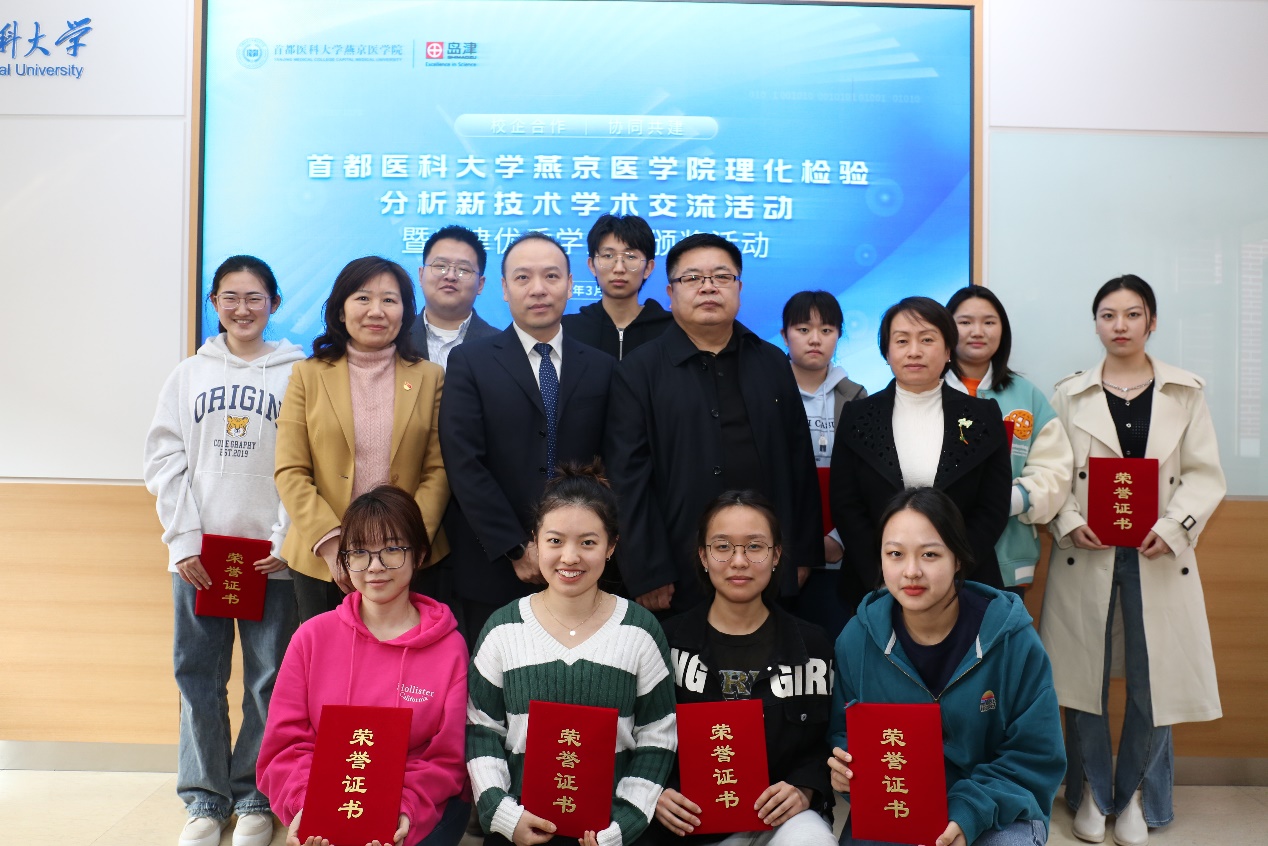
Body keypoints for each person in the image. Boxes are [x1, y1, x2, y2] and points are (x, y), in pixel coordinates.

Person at [1039, 275, 1225, 846]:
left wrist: (1174, 528)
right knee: (1082, 681)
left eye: (1133, 314)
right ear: (1096, 323)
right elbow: (1051, 473)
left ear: (1152, 322)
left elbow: (1204, 474)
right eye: (1108, 314)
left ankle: (1139, 795)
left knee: (1154, 681)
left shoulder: (1184, 392)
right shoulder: (1069, 394)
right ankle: (1092, 793)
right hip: (1088, 552)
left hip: (1158, 554)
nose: (1120, 325)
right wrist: (1068, 521)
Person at [143, 255, 305, 846]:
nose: (242, 308)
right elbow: (164, 458)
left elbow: (307, 461)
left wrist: (286, 537)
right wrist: (184, 538)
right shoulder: (188, 374)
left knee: (269, 680)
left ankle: (257, 794)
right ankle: (205, 799)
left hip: (270, 560)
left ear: (274, 303)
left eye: (254, 297)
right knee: (199, 677)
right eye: (230, 297)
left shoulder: (298, 373)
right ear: (214, 304)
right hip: (198, 559)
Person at [827, 487, 1064, 846]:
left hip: (996, 812)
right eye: (895, 554)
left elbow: (1034, 757)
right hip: (898, 808)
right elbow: (844, 733)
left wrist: (968, 812)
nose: (911, 571)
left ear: (957, 559)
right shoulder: (857, 639)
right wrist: (846, 769)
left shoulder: (1013, 641)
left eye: (930, 554)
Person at [606, 233, 822, 614]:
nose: (708, 287)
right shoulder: (639, 371)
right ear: (670, 293)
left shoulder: (772, 362)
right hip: (678, 572)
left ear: (739, 288)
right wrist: (648, 570)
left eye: (722, 277)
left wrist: (802, 553)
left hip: (767, 566)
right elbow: (628, 480)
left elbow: (799, 464)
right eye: (692, 278)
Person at [466, 462, 677, 846]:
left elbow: (657, 734)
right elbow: (481, 730)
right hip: (517, 832)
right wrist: (504, 815)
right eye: (555, 540)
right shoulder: (503, 630)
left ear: (611, 546)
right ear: (535, 542)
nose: (570, 557)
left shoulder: (640, 632)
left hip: (610, 835)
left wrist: (622, 826)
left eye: (588, 543)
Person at [257, 485, 470, 846]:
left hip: (417, 804)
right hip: (328, 800)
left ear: (419, 555)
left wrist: (404, 809)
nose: (375, 567)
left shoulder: (449, 646)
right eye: (359, 552)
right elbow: (286, 745)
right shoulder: (312, 637)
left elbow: (446, 757)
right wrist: (308, 806)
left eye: (392, 549)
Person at [439, 232, 615, 645]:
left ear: (570, 284)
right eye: (523, 277)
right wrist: (516, 547)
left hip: (581, 567)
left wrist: (581, 544)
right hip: (493, 564)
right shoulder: (470, 361)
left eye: (551, 276)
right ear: (504, 288)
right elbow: (464, 462)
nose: (538, 289)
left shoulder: (602, 367)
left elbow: (613, 461)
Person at [647, 491, 836, 846]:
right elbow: (639, 733)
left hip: (780, 820)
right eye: (722, 547)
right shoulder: (664, 642)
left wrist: (805, 788)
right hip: (688, 822)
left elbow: (829, 739)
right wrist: (655, 790)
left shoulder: (813, 645)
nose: (738, 561)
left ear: (776, 555)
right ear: (703, 555)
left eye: (754, 547)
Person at [276, 256, 449, 621]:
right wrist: (331, 543)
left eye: (389, 300)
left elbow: (439, 470)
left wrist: (404, 546)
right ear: (341, 311)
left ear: (405, 312)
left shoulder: (431, 377)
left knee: (403, 655)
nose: (376, 311)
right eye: (363, 298)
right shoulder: (307, 375)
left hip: (408, 559)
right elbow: (290, 470)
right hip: (325, 561)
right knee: (327, 656)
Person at [829, 296, 1010, 617]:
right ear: (887, 352)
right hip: (875, 585)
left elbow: (992, 507)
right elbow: (847, 505)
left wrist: (952, 569)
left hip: (965, 584)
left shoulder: (982, 416)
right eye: (902, 341)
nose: (914, 351)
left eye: (927, 339)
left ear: (948, 350)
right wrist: (884, 573)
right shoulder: (858, 417)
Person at [944, 286, 1073, 595]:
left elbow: (1054, 472)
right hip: (934, 554)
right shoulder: (926, 391)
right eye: (965, 322)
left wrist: (1004, 502)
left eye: (989, 322)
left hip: (1007, 558)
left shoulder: (1027, 396)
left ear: (1003, 330)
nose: (977, 331)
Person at [780, 290, 867, 640]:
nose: (815, 339)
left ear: (839, 336)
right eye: (803, 329)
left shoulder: (857, 398)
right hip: (781, 552)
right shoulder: (767, 392)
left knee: (834, 646)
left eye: (827, 330)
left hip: (839, 554)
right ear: (784, 335)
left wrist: (837, 538)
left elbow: (864, 480)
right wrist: (795, 544)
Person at [562, 214, 672, 360]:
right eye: (608, 256)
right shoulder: (567, 330)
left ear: (648, 268)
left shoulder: (671, 331)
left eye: (631, 256)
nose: (619, 268)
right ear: (592, 265)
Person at [408, 225, 501, 370]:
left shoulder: (502, 346)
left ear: (480, 284)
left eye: (463, 269)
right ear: (421, 275)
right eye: (440, 266)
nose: (450, 276)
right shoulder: (395, 336)